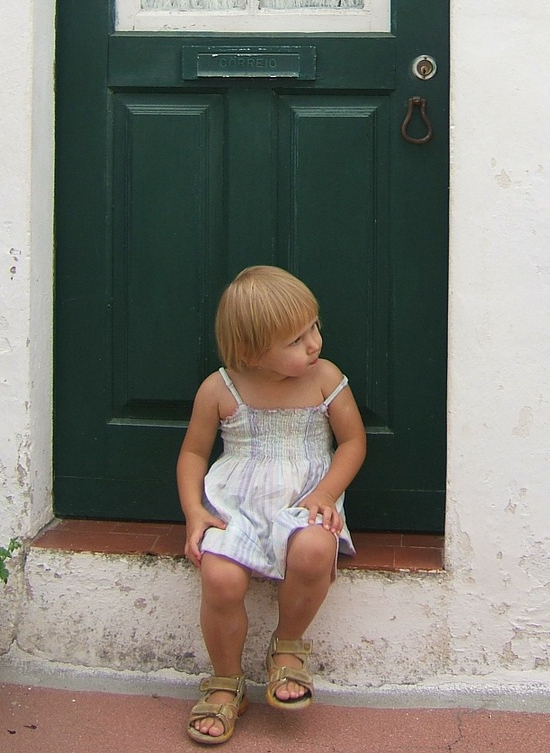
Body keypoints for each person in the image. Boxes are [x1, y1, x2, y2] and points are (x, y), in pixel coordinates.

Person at [177, 265, 367, 745]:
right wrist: (194, 512)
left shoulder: (326, 378)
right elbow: (194, 453)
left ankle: (287, 648)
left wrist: (325, 494)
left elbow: (353, 443)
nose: (314, 343)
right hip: (236, 506)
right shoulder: (220, 389)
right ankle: (225, 682)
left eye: (314, 327)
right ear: (250, 352)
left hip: (305, 499)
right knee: (219, 577)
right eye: (295, 339)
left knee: (313, 552)